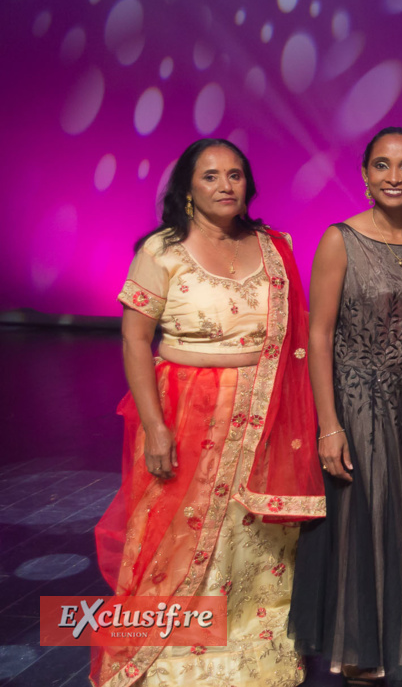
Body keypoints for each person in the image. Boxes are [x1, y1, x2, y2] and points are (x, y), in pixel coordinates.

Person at [92, 138, 324, 687]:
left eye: (235, 175)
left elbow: (298, 338)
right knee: (173, 534)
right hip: (187, 409)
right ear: (188, 189)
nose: (225, 186)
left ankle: (251, 655)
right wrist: (155, 428)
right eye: (211, 176)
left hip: (266, 409)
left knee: (255, 537)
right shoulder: (161, 251)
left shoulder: (275, 247)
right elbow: (135, 340)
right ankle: (169, 659)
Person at [289, 127, 402, 686]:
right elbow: (319, 335)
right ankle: (363, 657)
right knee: (366, 528)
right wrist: (329, 426)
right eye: (382, 166)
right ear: (365, 175)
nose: (394, 177)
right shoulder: (340, 240)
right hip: (356, 403)